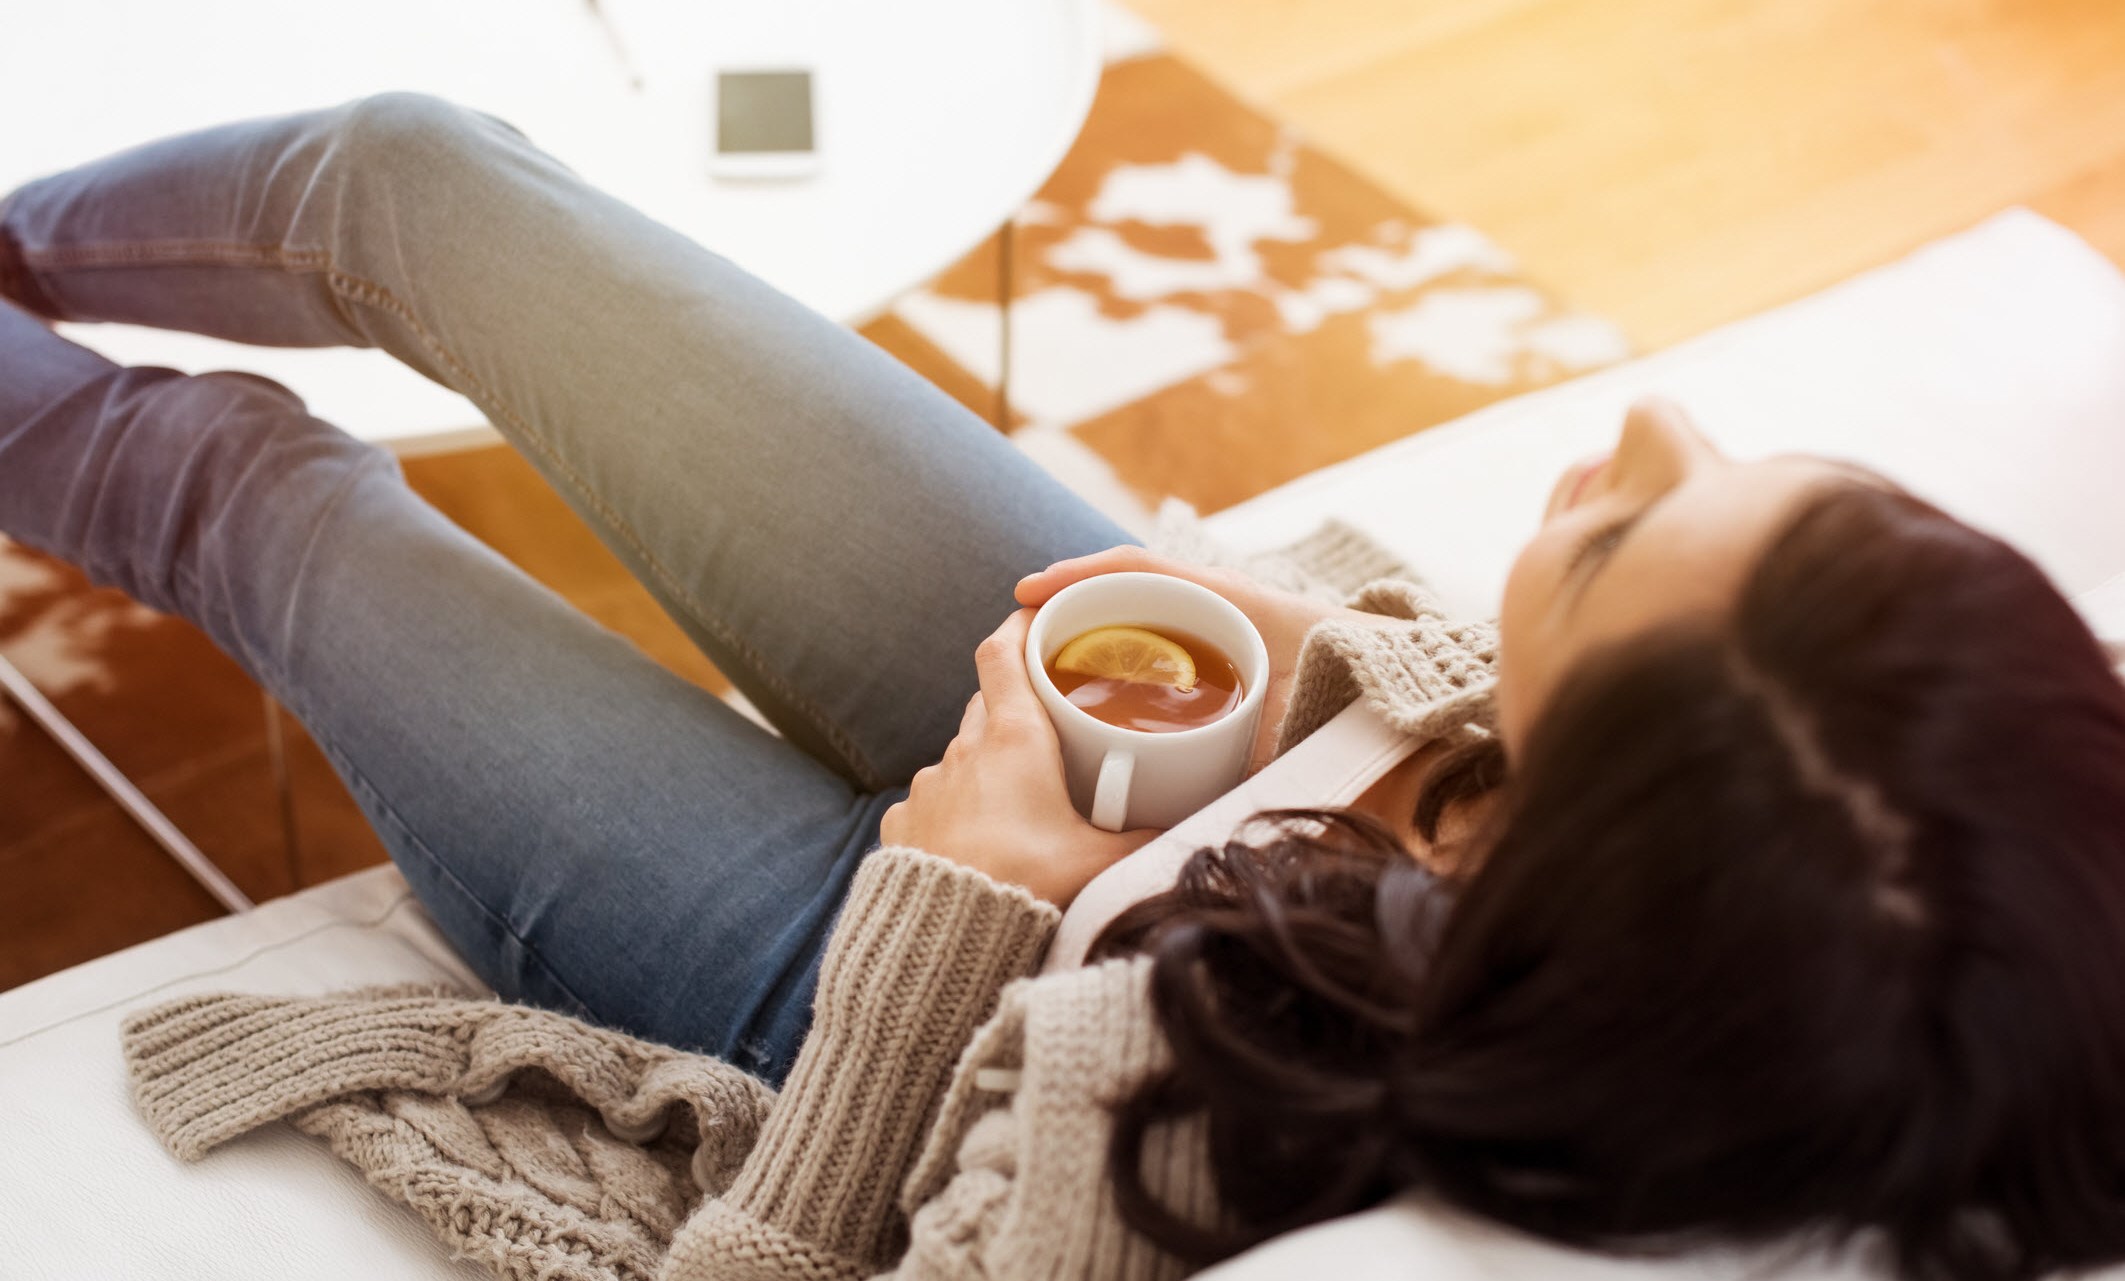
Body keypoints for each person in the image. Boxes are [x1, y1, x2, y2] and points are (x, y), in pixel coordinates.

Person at [10, 95, 2125, 1281]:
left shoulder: (1172, 1162)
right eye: (1737, 480)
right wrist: (1339, 682)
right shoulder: (1928, 860)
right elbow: (1537, 723)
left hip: (885, 989)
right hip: (1221, 763)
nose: (1647, 425)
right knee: (416, 178)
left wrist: (952, 907)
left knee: (244, 486)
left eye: (1605, 538)